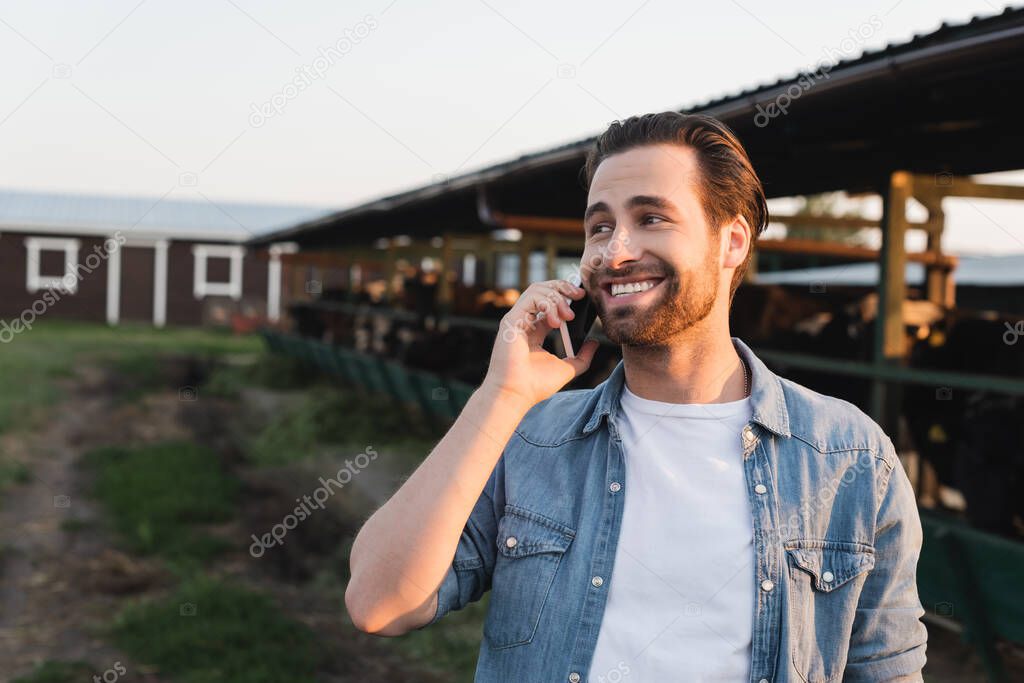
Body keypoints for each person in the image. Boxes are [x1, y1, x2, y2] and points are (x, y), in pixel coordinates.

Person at [345, 112, 928, 682]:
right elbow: (378, 603)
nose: (614, 251)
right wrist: (501, 395)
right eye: (599, 226)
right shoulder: (531, 437)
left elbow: (886, 669)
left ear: (731, 242)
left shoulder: (848, 458)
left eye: (652, 218)